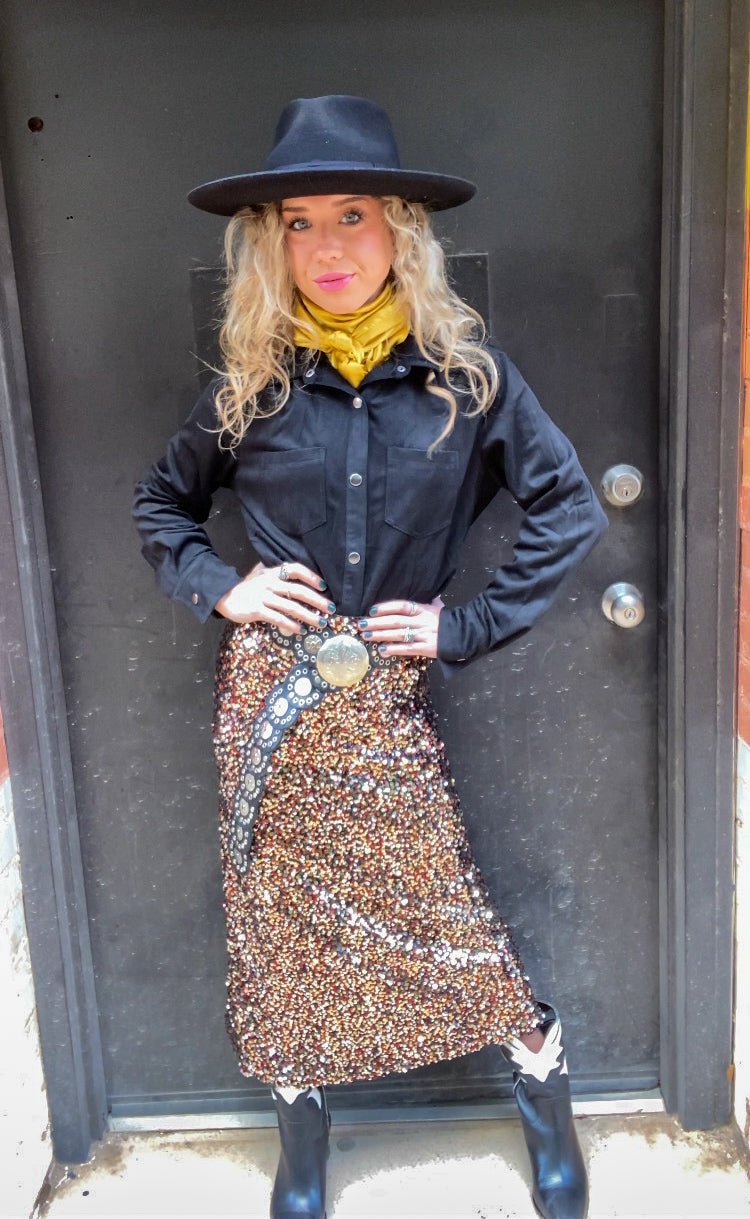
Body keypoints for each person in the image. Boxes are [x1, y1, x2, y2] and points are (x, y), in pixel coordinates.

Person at [132, 94, 608, 1219]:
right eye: (298, 222)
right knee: (279, 933)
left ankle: (544, 1091)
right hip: (270, 702)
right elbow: (162, 504)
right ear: (271, 243)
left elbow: (569, 509)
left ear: (401, 228)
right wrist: (224, 585)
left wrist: (467, 624)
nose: (328, 247)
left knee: (446, 912)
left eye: (352, 214)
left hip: (386, 705)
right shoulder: (251, 384)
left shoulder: (467, 378)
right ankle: (302, 1144)